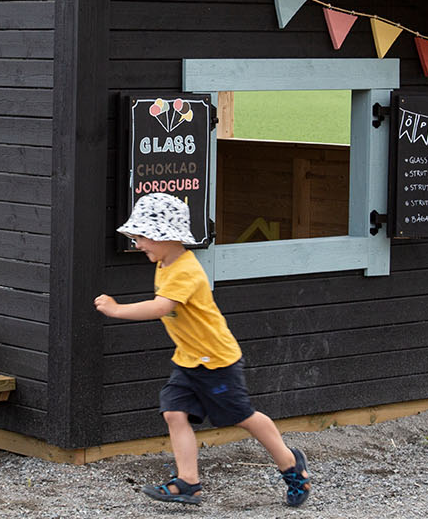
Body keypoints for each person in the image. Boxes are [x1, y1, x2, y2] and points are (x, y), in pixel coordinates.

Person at [94, 192, 311, 507]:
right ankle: (188, 482)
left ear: (166, 237)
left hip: (216, 362)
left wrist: (116, 310)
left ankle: (291, 465)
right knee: (173, 412)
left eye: (143, 236)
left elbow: (160, 307)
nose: (138, 243)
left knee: (244, 416)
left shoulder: (185, 271)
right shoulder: (165, 262)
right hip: (189, 360)